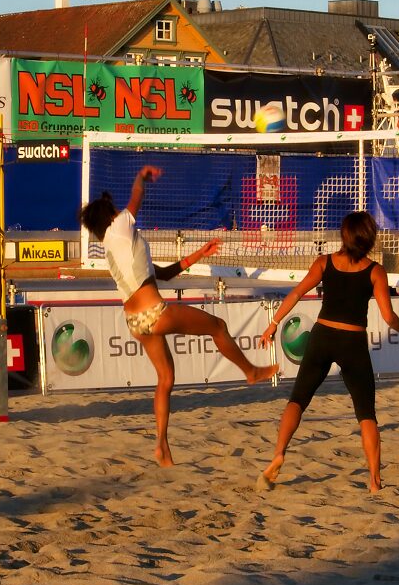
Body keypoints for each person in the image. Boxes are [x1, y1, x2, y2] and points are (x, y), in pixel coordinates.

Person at [79, 165, 278, 467]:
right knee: (218, 327)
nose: (121, 211)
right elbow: (136, 196)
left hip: (135, 323)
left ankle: (162, 446)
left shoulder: (112, 249)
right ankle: (250, 371)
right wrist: (141, 176)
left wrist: (199, 254)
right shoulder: (119, 226)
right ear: (110, 216)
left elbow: (164, 274)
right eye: (116, 210)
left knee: (166, 379)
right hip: (155, 314)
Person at [258, 211, 399, 493]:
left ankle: (279, 453)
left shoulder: (324, 263)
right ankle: (374, 479)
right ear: (370, 238)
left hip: (323, 336)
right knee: (366, 413)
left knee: (297, 399)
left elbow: (296, 293)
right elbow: (387, 315)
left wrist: (273, 324)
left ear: (344, 236)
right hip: (352, 342)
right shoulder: (375, 270)